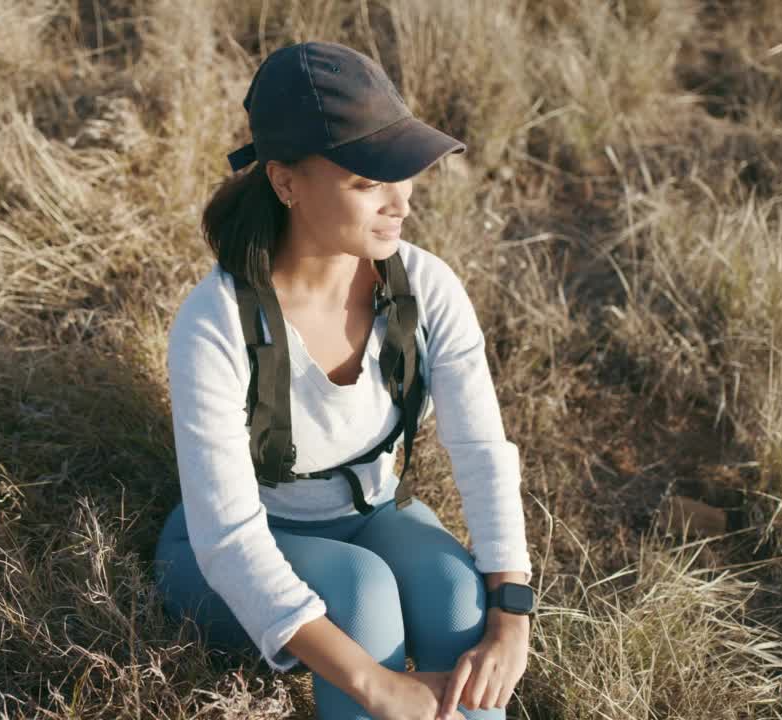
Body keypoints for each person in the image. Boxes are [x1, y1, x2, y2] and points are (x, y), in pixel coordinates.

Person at [153, 41, 535, 720]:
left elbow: (482, 454)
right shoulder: (215, 323)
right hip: (225, 554)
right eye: (367, 181)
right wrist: (376, 685)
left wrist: (511, 616)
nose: (401, 203)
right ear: (286, 183)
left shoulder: (427, 288)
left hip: (373, 514)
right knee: (362, 597)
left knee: (457, 596)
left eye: (404, 173)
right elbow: (230, 541)